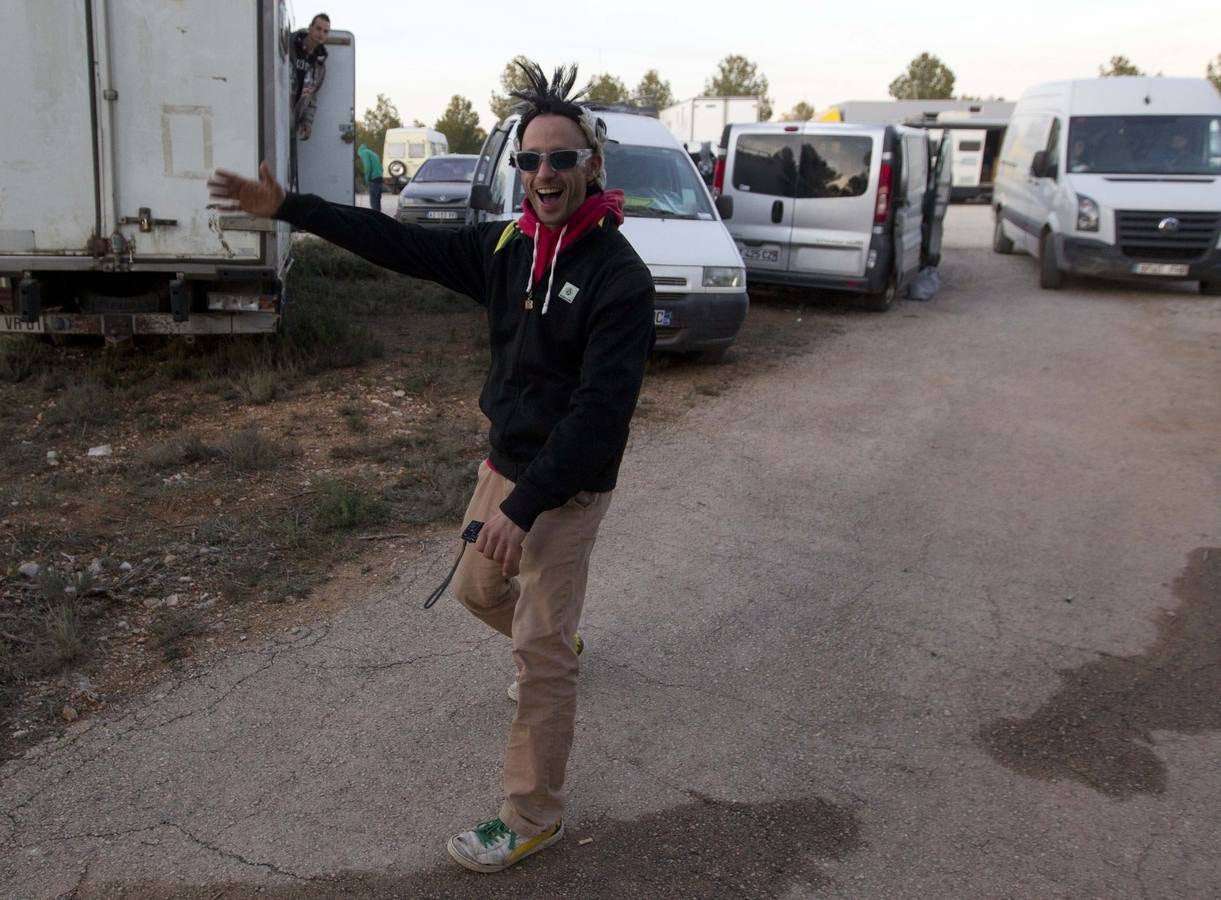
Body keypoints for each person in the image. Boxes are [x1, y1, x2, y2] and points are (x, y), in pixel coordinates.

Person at [208, 60, 655, 873]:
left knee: (538, 653)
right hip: (507, 463)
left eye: (560, 158)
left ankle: (531, 815)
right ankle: (559, 641)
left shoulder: (617, 277)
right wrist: (292, 210)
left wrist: (525, 509)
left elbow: (599, 416)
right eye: (529, 159)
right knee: (477, 589)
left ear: (590, 165)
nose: (543, 173)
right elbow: (399, 243)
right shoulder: (509, 248)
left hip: (565, 484)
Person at [290, 13, 330, 142]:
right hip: (277, 115)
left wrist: (307, 122)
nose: (321, 34)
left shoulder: (320, 67)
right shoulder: (291, 45)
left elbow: (311, 98)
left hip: (292, 125)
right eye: (318, 28)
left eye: (325, 31)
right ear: (310, 28)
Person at [357, 143, 384, 213]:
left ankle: (375, 219)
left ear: (359, 152)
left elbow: (367, 166)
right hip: (380, 178)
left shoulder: (364, 153)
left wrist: (366, 178)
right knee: (377, 201)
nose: (361, 157)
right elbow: (381, 168)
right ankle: (379, 218)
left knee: (373, 202)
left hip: (373, 179)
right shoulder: (374, 154)